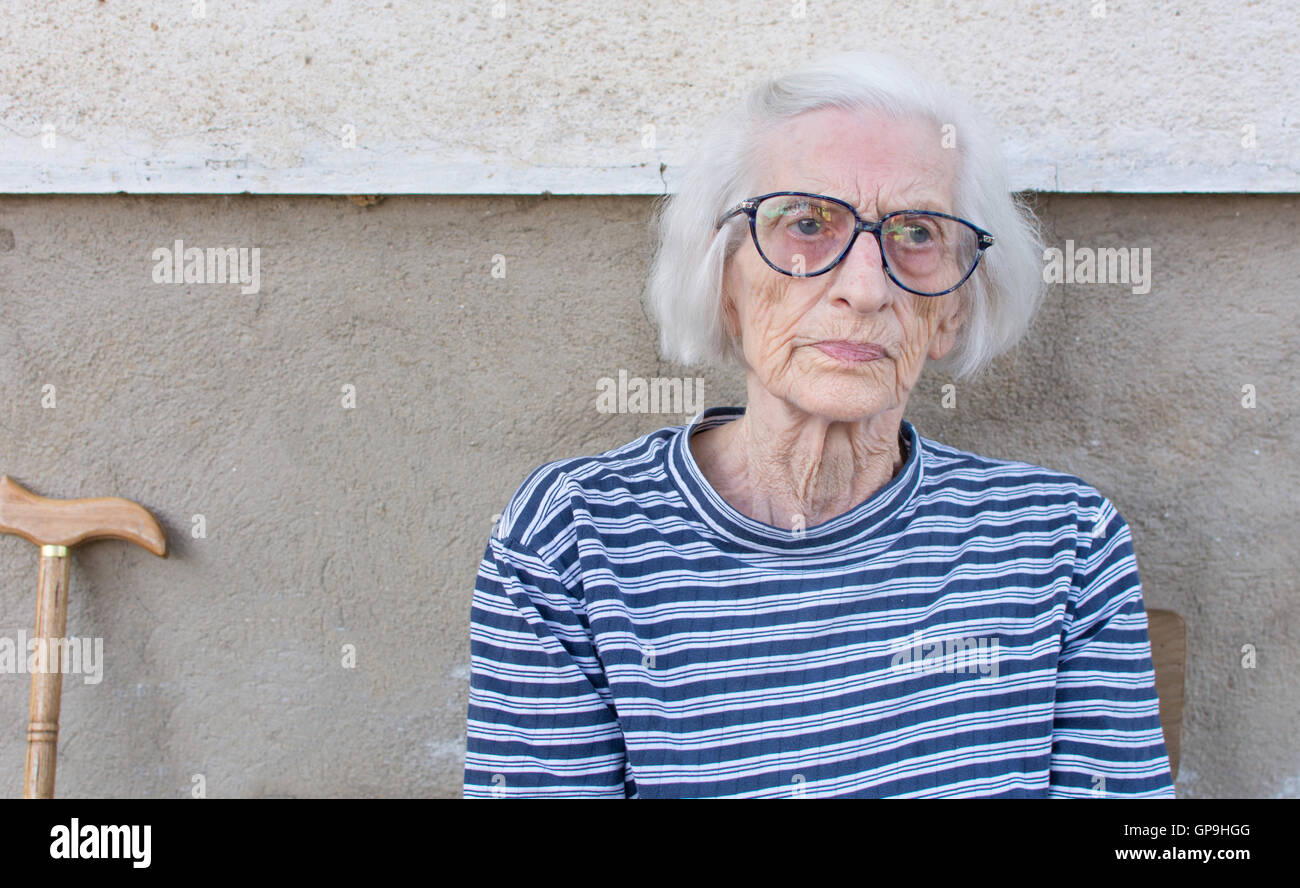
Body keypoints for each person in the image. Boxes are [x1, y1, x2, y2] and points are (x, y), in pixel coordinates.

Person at [462, 50, 1175, 798]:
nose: (865, 288)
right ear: (724, 278)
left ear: (955, 307)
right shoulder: (575, 539)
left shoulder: (1059, 541)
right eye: (807, 223)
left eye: (919, 233)